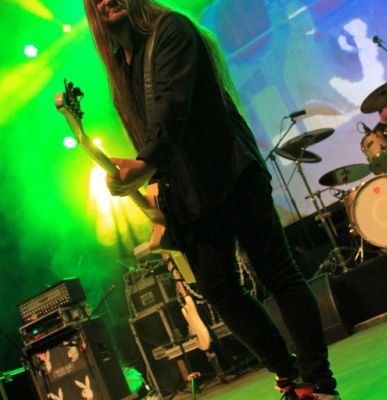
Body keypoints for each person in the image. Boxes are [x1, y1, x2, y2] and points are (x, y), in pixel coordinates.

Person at [83, 0, 340, 399]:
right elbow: (150, 130)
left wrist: (146, 163)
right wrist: (148, 183)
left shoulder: (171, 30)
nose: (106, 0)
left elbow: (172, 107)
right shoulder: (123, 65)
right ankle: (288, 374)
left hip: (231, 173)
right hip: (188, 194)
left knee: (278, 273)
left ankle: (319, 383)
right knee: (219, 291)